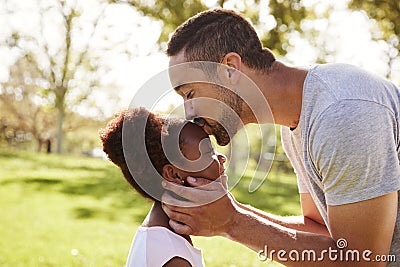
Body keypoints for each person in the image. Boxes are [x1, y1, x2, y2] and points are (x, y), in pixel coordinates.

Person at [161, 8, 400, 266]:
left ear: (230, 69)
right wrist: (229, 212)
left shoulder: (341, 113)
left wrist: (232, 222)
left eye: (190, 94)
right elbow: (320, 228)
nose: (189, 112)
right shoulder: (297, 123)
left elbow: (362, 261)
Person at [99, 107, 227, 267]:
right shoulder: (173, 256)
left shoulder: (160, 235)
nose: (222, 158)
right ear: (173, 175)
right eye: (209, 152)